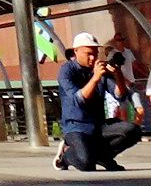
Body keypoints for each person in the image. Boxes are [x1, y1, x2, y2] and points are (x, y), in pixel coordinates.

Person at [55, 32, 143, 172]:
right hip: (76, 126)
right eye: (88, 54)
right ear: (76, 51)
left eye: (95, 54)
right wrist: (95, 78)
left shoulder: (100, 69)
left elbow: (119, 95)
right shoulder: (67, 71)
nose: (92, 58)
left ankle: (103, 157)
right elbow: (79, 100)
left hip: (98, 125)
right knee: (86, 164)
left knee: (133, 131)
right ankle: (66, 155)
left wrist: (118, 75)